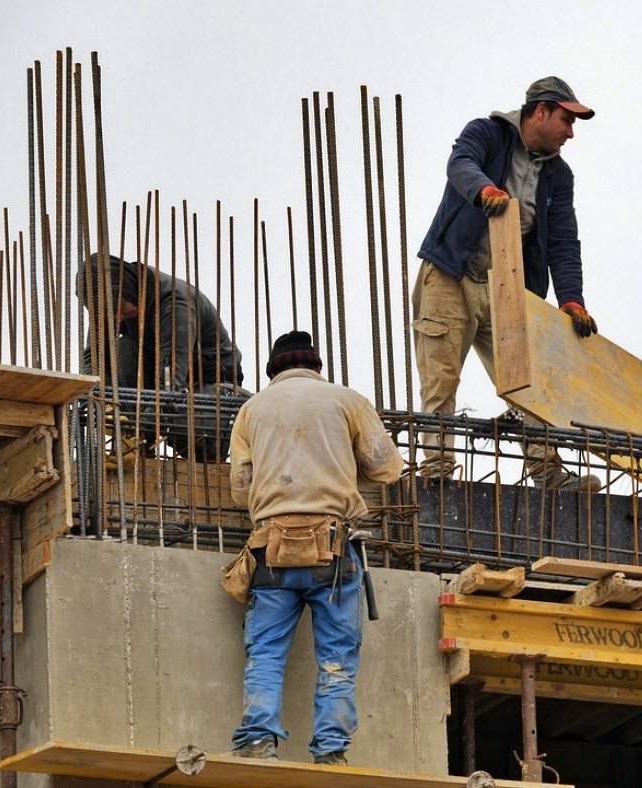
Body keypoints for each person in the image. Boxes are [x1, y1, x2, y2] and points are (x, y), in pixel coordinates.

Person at [412, 76, 601, 492]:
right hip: (451, 276)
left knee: (529, 380)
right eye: (566, 121)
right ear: (540, 111)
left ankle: (548, 475)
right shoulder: (487, 133)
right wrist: (484, 190)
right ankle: (439, 476)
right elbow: (461, 164)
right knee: (441, 381)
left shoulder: (558, 175)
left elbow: (563, 241)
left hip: (507, 286)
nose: (570, 132)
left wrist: (571, 299)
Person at [228, 330, 402, 765]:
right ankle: (330, 753)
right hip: (333, 549)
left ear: (273, 372)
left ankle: (257, 742)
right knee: (337, 658)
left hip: (272, 550)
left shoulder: (251, 410)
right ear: (317, 367)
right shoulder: (347, 401)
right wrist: (341, 470)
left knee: (265, 653)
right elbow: (387, 469)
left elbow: (239, 489)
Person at [77, 253, 247, 461]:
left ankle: (148, 438)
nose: (117, 318)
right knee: (124, 349)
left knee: (184, 424)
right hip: (158, 375)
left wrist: (136, 433)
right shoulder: (111, 304)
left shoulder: (175, 305)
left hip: (209, 383)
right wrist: (100, 404)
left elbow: (169, 391)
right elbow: (92, 359)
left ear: (127, 289)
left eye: (119, 309)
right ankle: (135, 439)